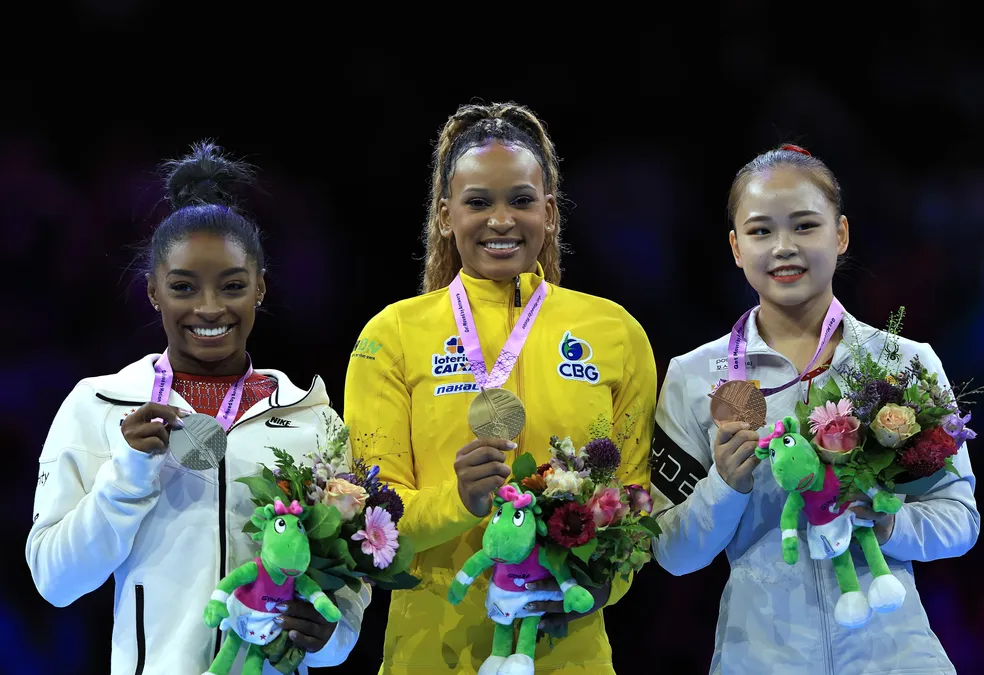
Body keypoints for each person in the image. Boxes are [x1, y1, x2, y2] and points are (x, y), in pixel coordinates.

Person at [25, 142, 369, 675]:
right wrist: (127, 477)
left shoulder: (313, 420)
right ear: (153, 292)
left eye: (232, 286)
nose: (209, 308)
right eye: (183, 287)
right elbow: (55, 580)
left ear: (259, 288)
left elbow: (347, 589)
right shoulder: (100, 404)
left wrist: (330, 639)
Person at [343, 102, 657, 675]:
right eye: (478, 203)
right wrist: (459, 502)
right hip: (428, 656)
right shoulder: (390, 336)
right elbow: (373, 527)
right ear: (445, 216)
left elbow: (634, 507)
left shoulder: (615, 333)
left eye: (521, 200)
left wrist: (592, 587)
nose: (501, 220)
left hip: (571, 656)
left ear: (550, 213)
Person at [650, 143, 979, 675]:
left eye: (805, 226)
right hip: (758, 659)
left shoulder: (904, 363)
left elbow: (960, 520)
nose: (784, 247)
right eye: (760, 231)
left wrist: (889, 523)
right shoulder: (694, 376)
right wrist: (724, 487)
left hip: (895, 659)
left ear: (840, 234)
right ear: (736, 247)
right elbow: (673, 554)